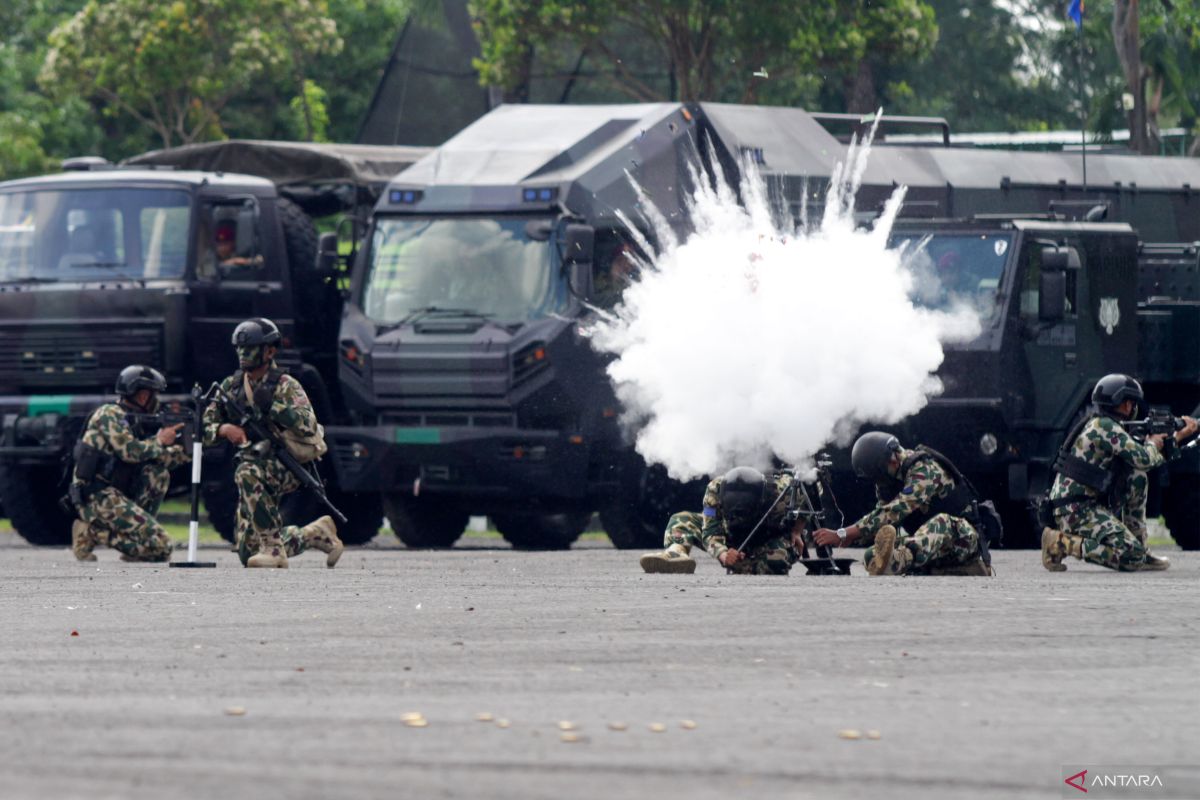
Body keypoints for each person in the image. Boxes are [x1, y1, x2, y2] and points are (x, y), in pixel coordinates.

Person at [202, 317, 344, 568]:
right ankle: (315, 534)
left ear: (270, 351)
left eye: (250, 348)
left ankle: (273, 549)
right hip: (253, 464)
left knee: (246, 472)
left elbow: (307, 425)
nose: (243, 354)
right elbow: (204, 426)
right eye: (239, 348)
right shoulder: (232, 387)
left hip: (286, 464)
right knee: (248, 553)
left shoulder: (286, 385)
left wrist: (274, 407)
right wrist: (224, 428)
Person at [1042, 374, 1197, 572]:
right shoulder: (1106, 428)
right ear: (1123, 404)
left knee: (1136, 476)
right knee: (1131, 558)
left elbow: (1139, 463)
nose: (1134, 408)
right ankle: (1060, 542)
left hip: (1082, 504)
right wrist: (1162, 441)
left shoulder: (1102, 424)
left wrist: (1170, 440)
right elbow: (1145, 458)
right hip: (1075, 511)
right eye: (1132, 403)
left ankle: (1141, 548)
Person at [812, 432, 993, 576]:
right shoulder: (890, 480)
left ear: (891, 460)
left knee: (942, 522)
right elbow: (881, 519)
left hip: (963, 540)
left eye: (878, 476)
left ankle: (899, 562)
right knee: (870, 555)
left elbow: (894, 511)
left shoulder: (925, 470)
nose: (879, 483)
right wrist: (855, 536)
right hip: (929, 544)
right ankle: (900, 562)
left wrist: (843, 533)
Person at [69, 366, 187, 562]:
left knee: (158, 473)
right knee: (162, 547)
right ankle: (91, 533)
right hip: (96, 496)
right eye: (153, 395)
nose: (156, 401)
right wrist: (160, 440)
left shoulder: (137, 420)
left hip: (118, 490)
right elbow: (130, 452)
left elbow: (159, 459)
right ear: (141, 396)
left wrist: (188, 448)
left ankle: (136, 544)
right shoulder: (109, 414)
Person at [639, 467, 803, 575]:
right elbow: (711, 531)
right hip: (728, 534)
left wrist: (797, 529)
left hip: (768, 537)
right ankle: (675, 552)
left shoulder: (781, 491)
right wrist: (723, 555)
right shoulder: (715, 490)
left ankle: (744, 565)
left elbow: (812, 489)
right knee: (681, 519)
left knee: (776, 562)